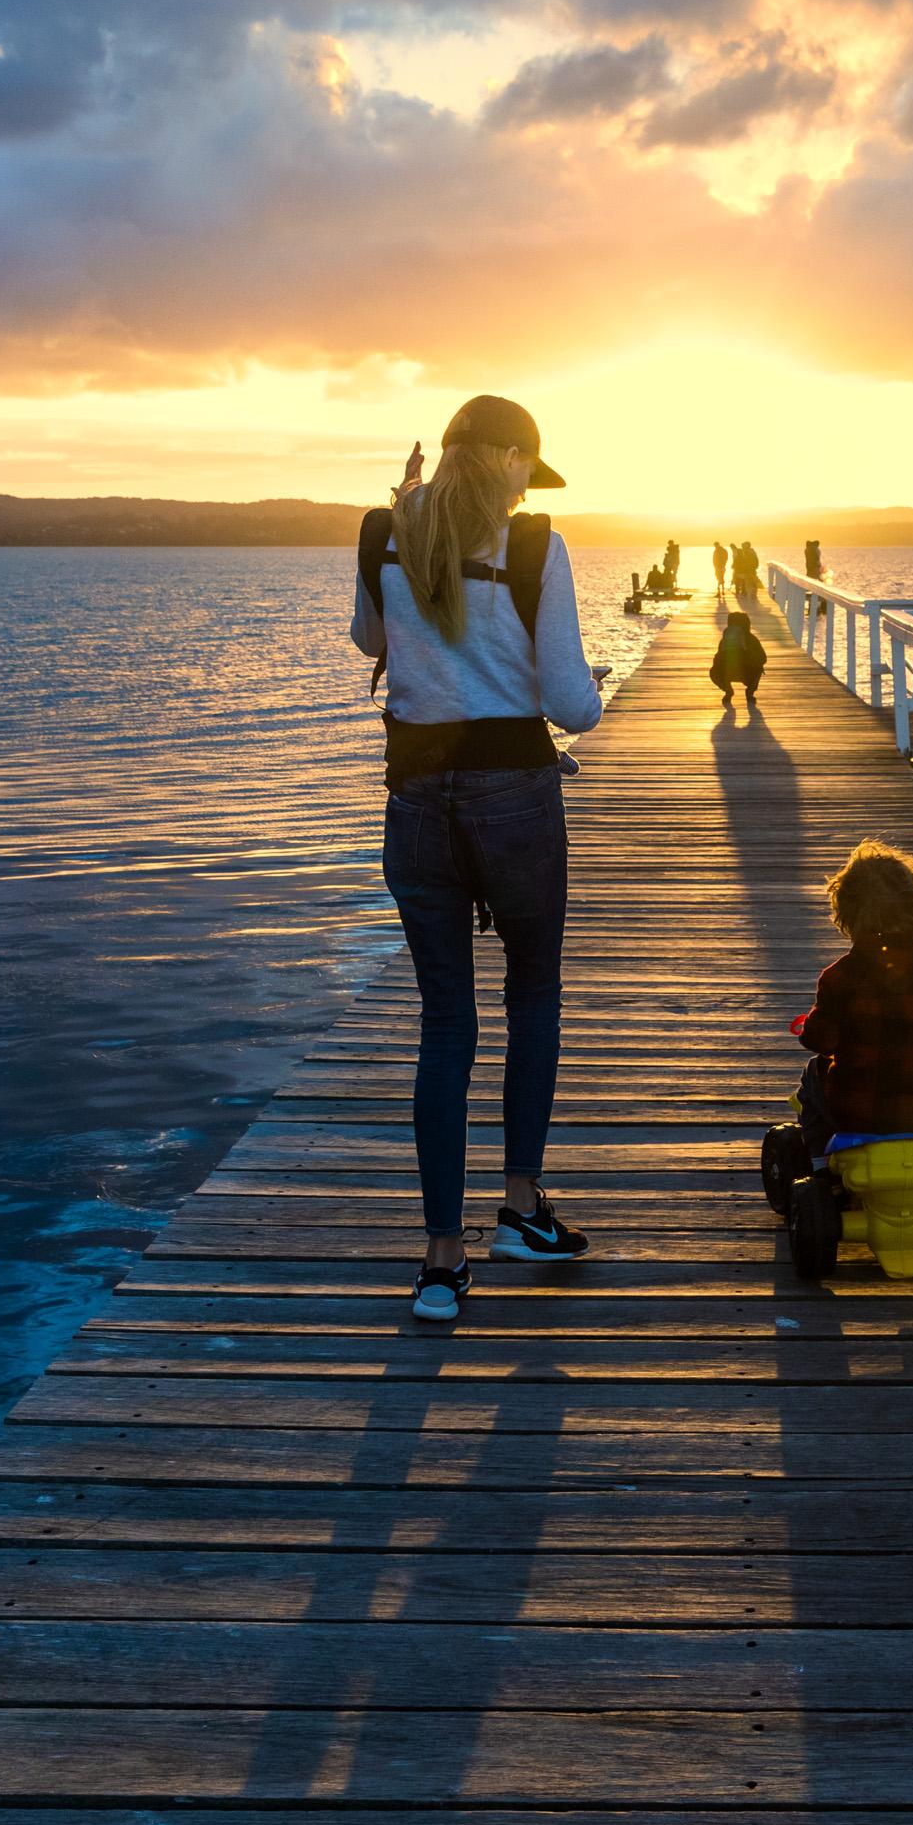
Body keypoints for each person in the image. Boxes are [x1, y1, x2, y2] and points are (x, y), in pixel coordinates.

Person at [349, 394, 611, 1323]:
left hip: (416, 801)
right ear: (506, 458)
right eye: (524, 469)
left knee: (444, 1023)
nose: (523, 487)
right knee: (532, 992)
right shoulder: (536, 546)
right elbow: (572, 706)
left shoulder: (385, 527)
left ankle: (440, 1259)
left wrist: (404, 519)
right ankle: (523, 1208)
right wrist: (601, 688)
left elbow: (370, 644)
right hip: (514, 800)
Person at [791, 841, 913, 1155]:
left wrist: (810, 1027)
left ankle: (818, 1159)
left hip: (858, 1114)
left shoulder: (839, 976)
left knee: (813, 1073)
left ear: (846, 913)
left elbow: (819, 1041)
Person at [710, 608, 766, 707]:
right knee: (758, 669)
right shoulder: (751, 639)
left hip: (742, 672)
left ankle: (731, 691)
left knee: (714, 671)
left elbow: (762, 659)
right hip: (742, 673)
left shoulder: (727, 641)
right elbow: (763, 659)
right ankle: (734, 691)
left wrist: (746, 652)